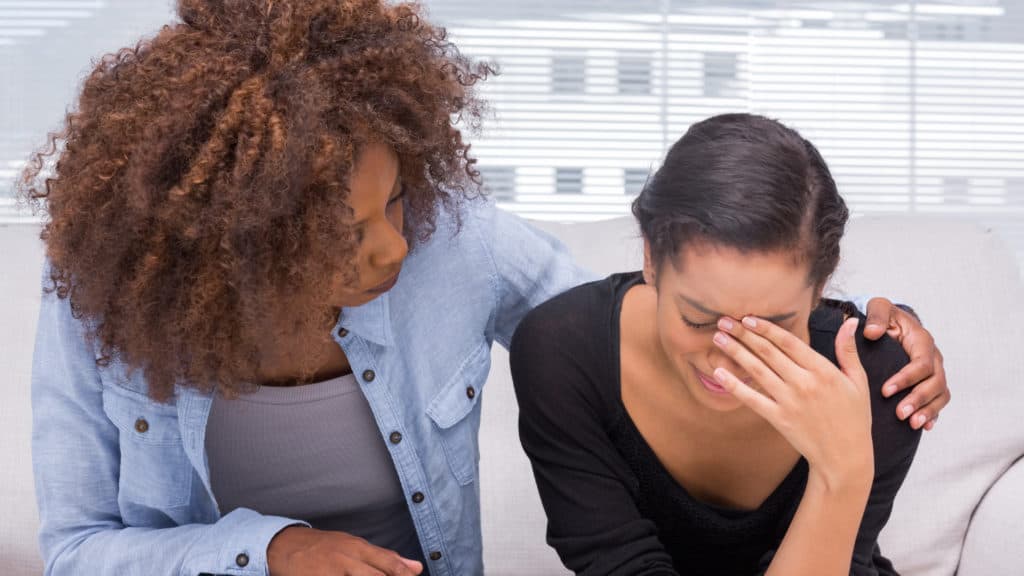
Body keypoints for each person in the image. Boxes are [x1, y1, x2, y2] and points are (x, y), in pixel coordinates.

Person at [18, 0, 948, 573]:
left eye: (395, 204)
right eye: (349, 234)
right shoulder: (104, 308)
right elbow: (76, 550)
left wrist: (858, 339)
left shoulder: (452, 244)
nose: (394, 248)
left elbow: (644, 327)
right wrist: (271, 551)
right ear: (238, 246)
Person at [511, 113, 935, 575]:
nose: (727, 362)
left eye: (768, 328)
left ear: (821, 287)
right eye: (697, 318)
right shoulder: (562, 353)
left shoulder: (884, 383)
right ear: (651, 259)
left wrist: (843, 472)